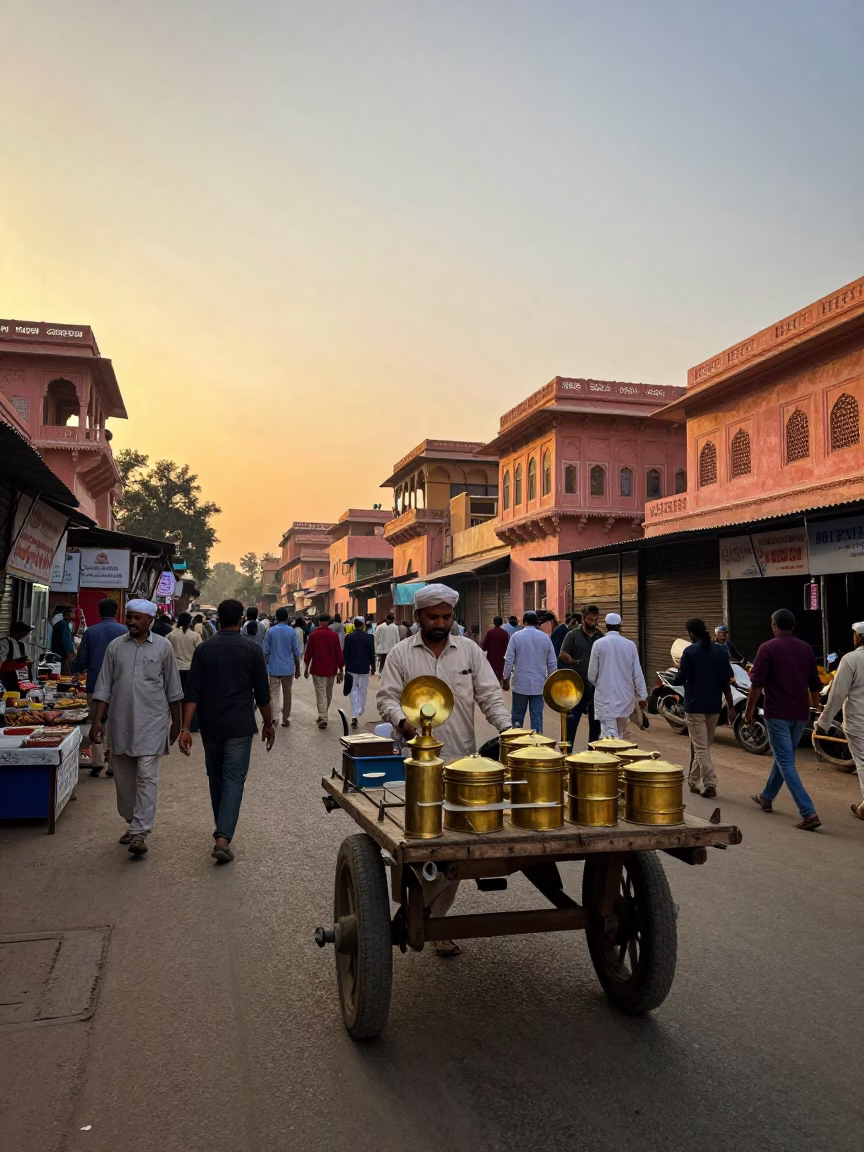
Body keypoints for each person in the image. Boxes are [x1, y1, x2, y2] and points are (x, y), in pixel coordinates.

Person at [377, 584, 513, 957]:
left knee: (455, 846)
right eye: (433, 617)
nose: (440, 623)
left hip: (460, 762)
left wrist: (509, 730)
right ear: (418, 616)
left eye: (446, 617)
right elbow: (387, 696)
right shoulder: (402, 654)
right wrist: (403, 725)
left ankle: (436, 921)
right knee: (423, 843)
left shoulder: (469, 650)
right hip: (418, 765)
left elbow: (489, 695)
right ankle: (422, 911)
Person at [179, 599, 274, 863]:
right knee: (233, 779)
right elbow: (263, 694)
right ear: (241, 620)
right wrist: (268, 724)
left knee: (216, 777)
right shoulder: (252, 650)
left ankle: (222, 830)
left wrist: (186, 728)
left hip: (210, 724)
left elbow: (192, 692)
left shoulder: (205, 650)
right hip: (239, 726)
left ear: (218, 619)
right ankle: (223, 837)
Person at [90, 599, 184, 856]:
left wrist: (178, 722)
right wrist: (98, 719)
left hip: (152, 722)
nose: (131, 621)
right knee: (124, 779)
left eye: (136, 617)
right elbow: (104, 686)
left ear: (150, 620)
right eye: (129, 616)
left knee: (146, 776)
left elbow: (173, 689)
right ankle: (133, 822)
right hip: (120, 722)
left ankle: (141, 831)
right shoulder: (115, 647)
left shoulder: (164, 647)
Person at [746, 609, 823, 831]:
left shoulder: (767, 647)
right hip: (800, 713)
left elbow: (757, 684)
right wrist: (815, 707)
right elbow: (815, 683)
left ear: (775, 626)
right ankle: (766, 797)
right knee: (784, 757)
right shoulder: (806, 648)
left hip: (777, 712)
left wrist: (749, 710)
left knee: (786, 761)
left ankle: (808, 812)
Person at [670, 618, 735, 799]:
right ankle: (693, 780)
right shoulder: (720, 651)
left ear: (690, 633)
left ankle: (710, 783)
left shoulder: (689, 652)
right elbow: (726, 681)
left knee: (700, 749)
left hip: (695, 706)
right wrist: (730, 705)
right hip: (715, 706)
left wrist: (676, 670)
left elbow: (679, 679)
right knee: (705, 747)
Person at [815, 620, 864, 821]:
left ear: (858, 637)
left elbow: (837, 694)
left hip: (858, 722)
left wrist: (823, 723)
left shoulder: (851, 659)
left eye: (854, 634)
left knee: (862, 762)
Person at [73, 598, 127, 777]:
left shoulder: (91, 631)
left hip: (95, 685)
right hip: (119, 685)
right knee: (115, 722)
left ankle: (96, 762)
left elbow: (82, 659)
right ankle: (112, 763)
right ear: (117, 611)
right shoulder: (125, 631)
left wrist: (77, 671)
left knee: (95, 721)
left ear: (98, 611)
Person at [587, 613, 648, 739]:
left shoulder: (599, 644)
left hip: (605, 697)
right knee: (620, 733)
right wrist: (643, 695)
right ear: (620, 626)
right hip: (625, 697)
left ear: (606, 626)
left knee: (609, 734)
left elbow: (591, 674)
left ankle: (611, 756)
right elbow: (637, 672)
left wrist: (600, 684)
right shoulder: (630, 645)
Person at [502, 612, 557, 731]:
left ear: (524, 622)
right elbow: (552, 663)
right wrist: (552, 682)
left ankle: (517, 741)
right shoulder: (545, 638)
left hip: (520, 683)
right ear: (537, 622)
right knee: (537, 716)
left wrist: (505, 678)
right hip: (539, 684)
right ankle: (536, 744)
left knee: (517, 717)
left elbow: (509, 660)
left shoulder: (516, 637)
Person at [559, 605, 604, 745]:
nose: (592, 622)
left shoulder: (600, 637)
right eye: (590, 619)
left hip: (595, 687)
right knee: (572, 720)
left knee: (596, 723)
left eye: (595, 620)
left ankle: (592, 755)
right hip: (576, 685)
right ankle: (567, 752)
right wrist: (574, 661)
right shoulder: (572, 635)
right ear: (584, 618)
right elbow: (562, 655)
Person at [304, 612, 344, 728]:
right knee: (328, 694)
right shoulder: (334, 636)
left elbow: (308, 654)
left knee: (321, 694)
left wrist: (306, 668)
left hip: (317, 669)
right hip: (331, 669)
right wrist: (341, 669)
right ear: (329, 622)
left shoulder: (313, 636)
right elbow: (338, 654)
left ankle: (323, 716)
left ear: (320, 622)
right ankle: (323, 716)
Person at [263, 607, 302, 726]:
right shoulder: (291, 631)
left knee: (273, 693)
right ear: (287, 618)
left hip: (274, 668)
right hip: (287, 668)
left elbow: (265, 650)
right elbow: (296, 651)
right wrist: (298, 668)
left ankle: (274, 717)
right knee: (287, 693)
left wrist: (263, 665)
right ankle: (286, 718)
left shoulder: (270, 631)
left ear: (276, 617)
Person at [167, 611, 202, 733]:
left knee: (177, 698)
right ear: (190, 622)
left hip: (176, 670)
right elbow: (200, 652)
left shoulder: (171, 635)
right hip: (191, 670)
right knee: (191, 697)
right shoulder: (195, 636)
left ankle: (178, 722)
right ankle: (192, 725)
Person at [343, 617, 376, 728]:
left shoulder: (349, 637)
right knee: (362, 690)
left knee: (353, 692)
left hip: (352, 668)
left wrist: (344, 667)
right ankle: (360, 710)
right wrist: (373, 666)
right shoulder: (369, 637)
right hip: (364, 668)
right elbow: (372, 653)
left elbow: (345, 654)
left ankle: (354, 715)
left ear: (354, 625)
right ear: (363, 625)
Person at [0, 620, 33, 693]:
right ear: (16, 632)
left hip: (22, 680)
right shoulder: (4, 643)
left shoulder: (22, 645)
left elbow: (27, 661)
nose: (24, 635)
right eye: (23, 633)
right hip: (8, 679)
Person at [481, 616, 511, 685]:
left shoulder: (490, 633)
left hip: (491, 659)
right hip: (502, 659)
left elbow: (484, 647)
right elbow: (508, 646)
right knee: (500, 677)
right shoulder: (505, 633)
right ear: (502, 623)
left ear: (494, 622)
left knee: (492, 679)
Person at [50, 606, 76, 672]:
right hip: (62, 657)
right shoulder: (63, 625)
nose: (74, 614)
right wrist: (71, 655)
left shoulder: (62, 624)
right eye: (73, 612)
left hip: (59, 656)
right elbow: (67, 642)